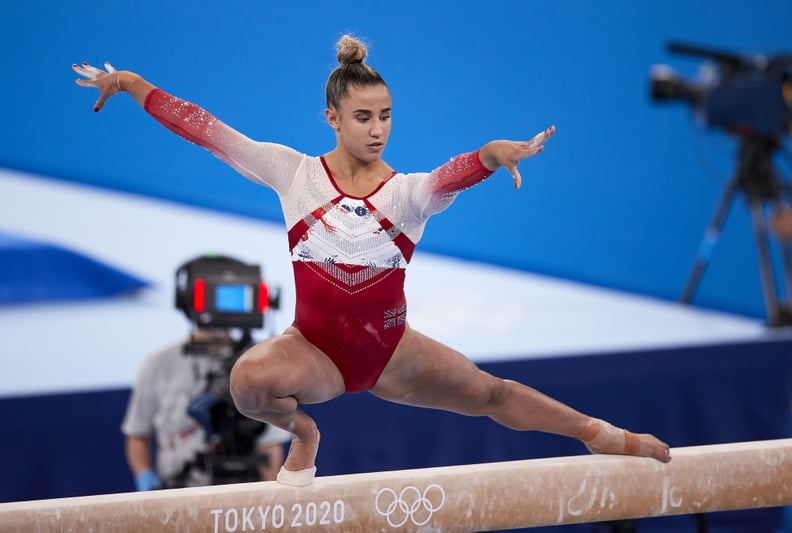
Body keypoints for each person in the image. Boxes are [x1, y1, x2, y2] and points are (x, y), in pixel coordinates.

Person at [75, 34, 671, 487]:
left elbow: (453, 175)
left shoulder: (407, 194)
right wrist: (130, 82)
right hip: (314, 351)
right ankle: (304, 434)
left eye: (385, 116)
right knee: (247, 382)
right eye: (363, 117)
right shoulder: (294, 174)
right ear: (332, 118)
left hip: (391, 353)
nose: (377, 129)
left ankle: (604, 435)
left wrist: (490, 153)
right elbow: (208, 132)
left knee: (492, 394)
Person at [122, 325, 292, 489]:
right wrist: (143, 475)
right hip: (176, 487)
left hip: (240, 488)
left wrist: (264, 497)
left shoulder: (258, 364)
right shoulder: (158, 363)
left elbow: (270, 445)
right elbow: (137, 433)